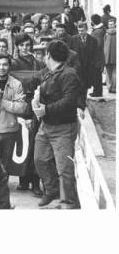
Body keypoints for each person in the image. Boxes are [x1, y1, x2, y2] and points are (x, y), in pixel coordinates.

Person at [32, 40, 82, 209]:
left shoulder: (69, 74)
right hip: (46, 126)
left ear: (49, 55)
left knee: (64, 168)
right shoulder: (49, 73)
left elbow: (69, 101)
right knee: (40, 159)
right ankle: (52, 190)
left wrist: (46, 110)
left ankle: (69, 202)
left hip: (63, 128)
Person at [72, 22, 104, 98]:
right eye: (79, 30)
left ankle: (96, 94)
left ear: (86, 30)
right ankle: (81, 98)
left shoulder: (93, 40)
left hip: (90, 64)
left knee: (92, 80)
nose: (80, 32)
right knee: (80, 82)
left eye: (82, 30)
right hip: (79, 64)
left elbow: (97, 52)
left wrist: (96, 63)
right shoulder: (73, 39)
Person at [103, 18, 116, 93]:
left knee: (111, 72)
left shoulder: (106, 34)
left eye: (112, 24)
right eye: (109, 24)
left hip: (109, 56)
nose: (110, 26)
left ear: (114, 24)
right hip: (110, 56)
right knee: (111, 72)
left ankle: (110, 87)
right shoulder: (106, 34)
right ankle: (112, 87)